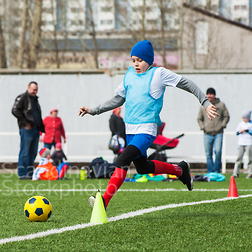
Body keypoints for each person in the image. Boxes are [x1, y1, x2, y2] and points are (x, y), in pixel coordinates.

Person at [79, 40, 218, 211]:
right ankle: (180, 170)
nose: (136, 64)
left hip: (146, 130)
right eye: (133, 60)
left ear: (149, 60)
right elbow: (118, 99)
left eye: (139, 60)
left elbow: (187, 83)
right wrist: (94, 110)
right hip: (130, 130)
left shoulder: (159, 74)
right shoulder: (129, 74)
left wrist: (205, 102)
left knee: (122, 160)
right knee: (142, 167)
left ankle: (104, 201)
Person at [12, 81, 45, 179]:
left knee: (33, 152)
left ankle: (30, 172)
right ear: (28, 88)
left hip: (35, 129)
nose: (35, 92)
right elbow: (15, 110)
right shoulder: (23, 98)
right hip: (27, 129)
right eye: (33, 89)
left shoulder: (35, 99)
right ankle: (22, 173)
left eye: (36, 90)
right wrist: (25, 122)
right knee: (25, 151)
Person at [197, 87, 230, 173]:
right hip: (207, 133)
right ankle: (210, 171)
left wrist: (222, 125)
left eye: (211, 94)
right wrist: (203, 127)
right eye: (208, 94)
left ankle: (216, 170)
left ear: (214, 95)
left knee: (218, 151)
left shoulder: (221, 105)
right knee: (208, 154)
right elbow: (199, 118)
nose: (209, 96)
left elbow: (226, 116)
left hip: (218, 133)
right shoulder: (203, 106)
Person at [232, 110, 252, 178]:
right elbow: (237, 132)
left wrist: (247, 130)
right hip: (241, 142)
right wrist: (240, 131)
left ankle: (250, 173)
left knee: (250, 159)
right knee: (238, 158)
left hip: (249, 143)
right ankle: (235, 173)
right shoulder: (241, 124)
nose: (244, 119)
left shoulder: (251, 124)